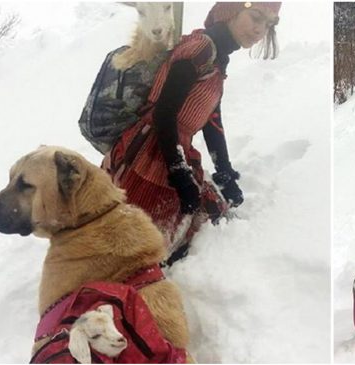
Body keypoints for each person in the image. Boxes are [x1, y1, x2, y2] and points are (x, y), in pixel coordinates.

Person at [103, 2, 282, 264]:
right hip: (150, 154)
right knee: (139, 248)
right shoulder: (200, 49)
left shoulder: (217, 57)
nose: (259, 30)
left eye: (268, 24)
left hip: (172, 150)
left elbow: (212, 120)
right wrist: (179, 173)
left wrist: (224, 171)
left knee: (202, 223)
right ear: (231, 10)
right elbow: (163, 113)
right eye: (255, 17)